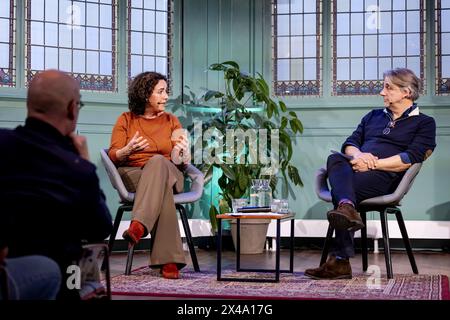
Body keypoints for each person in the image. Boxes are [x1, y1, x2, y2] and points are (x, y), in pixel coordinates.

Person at [305, 68, 436, 280]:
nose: (382, 92)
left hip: (385, 178)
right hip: (356, 169)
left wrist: (373, 165)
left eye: (388, 88)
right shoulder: (373, 116)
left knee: (343, 189)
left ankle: (340, 259)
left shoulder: (424, 123)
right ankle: (347, 208)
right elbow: (350, 143)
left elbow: (411, 158)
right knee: (335, 158)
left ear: (407, 92)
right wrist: (359, 156)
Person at [0, 70, 112, 299]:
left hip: (7, 266)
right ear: (72, 108)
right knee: (74, 276)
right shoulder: (76, 168)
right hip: (55, 274)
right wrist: (85, 162)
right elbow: (100, 228)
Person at [108, 71, 189, 280]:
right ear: (146, 95)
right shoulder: (125, 119)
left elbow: (182, 161)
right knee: (162, 195)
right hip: (135, 175)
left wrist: (183, 153)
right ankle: (169, 260)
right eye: (161, 92)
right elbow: (114, 154)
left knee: (158, 161)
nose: (166, 97)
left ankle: (140, 224)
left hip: (171, 174)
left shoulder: (172, 120)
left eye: (166, 91)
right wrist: (127, 150)